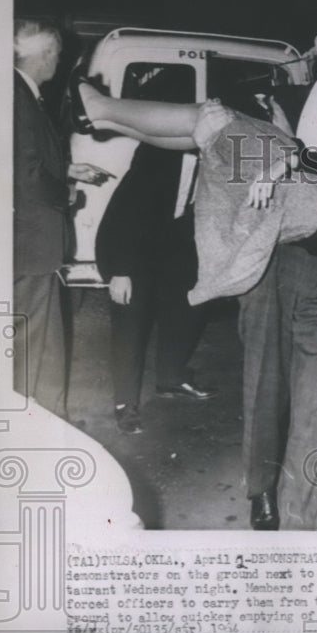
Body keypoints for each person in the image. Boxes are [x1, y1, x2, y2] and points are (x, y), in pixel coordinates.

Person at [67, 1, 317, 529]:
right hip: (272, 259)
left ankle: (301, 524)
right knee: (266, 387)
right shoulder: (275, 98)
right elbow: (197, 141)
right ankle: (260, 488)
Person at [13, 19, 110, 418]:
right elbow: (25, 174)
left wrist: (69, 170)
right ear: (46, 54)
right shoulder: (17, 98)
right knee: (30, 341)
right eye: (57, 53)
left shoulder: (23, 94)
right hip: (30, 244)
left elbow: (28, 157)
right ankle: (28, 424)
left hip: (35, 245)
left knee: (45, 338)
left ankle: (50, 418)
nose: (59, 61)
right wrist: (66, 192)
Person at [96, 142, 218, 435]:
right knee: (130, 323)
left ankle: (172, 377)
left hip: (178, 245)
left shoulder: (220, 154)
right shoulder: (158, 151)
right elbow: (123, 212)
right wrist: (120, 272)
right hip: (136, 247)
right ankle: (125, 404)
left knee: (189, 307)